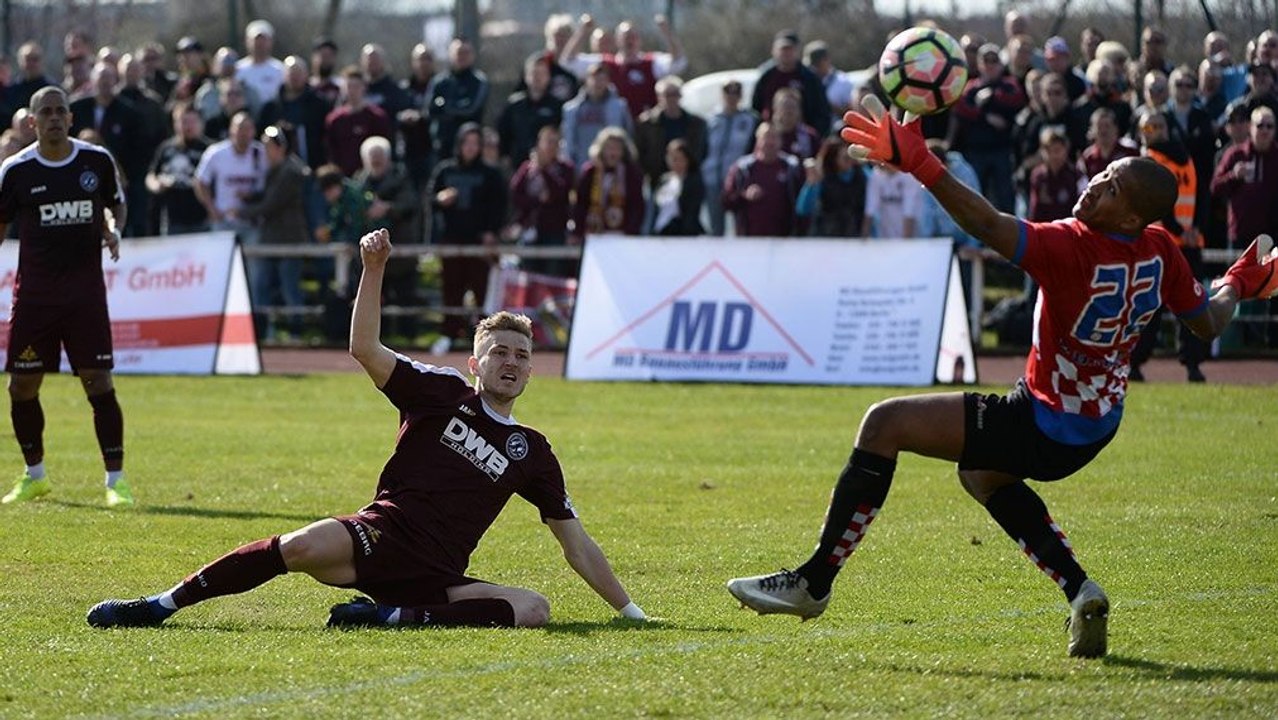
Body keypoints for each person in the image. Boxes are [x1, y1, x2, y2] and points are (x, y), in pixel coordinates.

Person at [726, 95, 1278, 658]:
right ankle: (1080, 589)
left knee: (883, 424)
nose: (1094, 184)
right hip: (1096, 425)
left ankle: (813, 583)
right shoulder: (1160, 248)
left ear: (1131, 216)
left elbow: (985, 223)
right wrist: (1238, 281)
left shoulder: (1069, 245)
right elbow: (1208, 323)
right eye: (1103, 173)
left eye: (1110, 188)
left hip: (1042, 420)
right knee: (982, 475)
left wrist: (921, 163)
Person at [86, 228, 648, 630]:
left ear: (530, 370)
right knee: (298, 546)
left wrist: (631, 612)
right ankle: (160, 606)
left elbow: (575, 542)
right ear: (476, 364)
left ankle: (391, 617)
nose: (511, 361)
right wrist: (373, 270)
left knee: (533, 609)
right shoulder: (439, 390)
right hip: (379, 537)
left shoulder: (534, 452)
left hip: (440, 578)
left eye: (521, 355)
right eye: (498, 351)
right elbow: (363, 348)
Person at [0, 87, 131, 508]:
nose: (54, 118)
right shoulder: (16, 171)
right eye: (46, 112)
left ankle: (116, 482)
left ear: (71, 119)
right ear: (32, 121)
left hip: (84, 297)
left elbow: (114, 204)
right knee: (21, 386)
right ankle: (34, 475)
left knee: (98, 383)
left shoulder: (96, 161)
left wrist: (112, 229)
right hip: (35, 298)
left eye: (61, 111)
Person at [429, 123, 507, 348]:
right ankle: (450, 333)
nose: (471, 148)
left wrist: (492, 232)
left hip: (479, 242)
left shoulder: (491, 174)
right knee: (451, 288)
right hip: (452, 239)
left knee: (482, 290)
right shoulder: (445, 171)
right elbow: (430, 200)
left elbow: (499, 206)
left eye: (476, 143)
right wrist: (440, 199)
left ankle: (485, 337)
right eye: (467, 142)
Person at [237, 125, 310, 341]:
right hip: (273, 236)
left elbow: (273, 203)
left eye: (269, 146)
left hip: (288, 237)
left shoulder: (290, 171)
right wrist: (250, 198)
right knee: (263, 287)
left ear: (280, 148)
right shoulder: (280, 169)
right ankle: (265, 331)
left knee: (289, 288)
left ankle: (295, 332)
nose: (265, 151)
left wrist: (242, 211)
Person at [721, 122, 803, 237]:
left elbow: (800, 202)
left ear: (780, 140)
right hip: (750, 239)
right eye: (766, 137)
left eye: (774, 137)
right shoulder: (743, 168)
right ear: (758, 140)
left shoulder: (791, 167)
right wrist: (744, 195)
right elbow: (726, 201)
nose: (770, 142)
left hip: (784, 239)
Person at [146, 103, 211, 235]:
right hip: (172, 217)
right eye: (183, 121)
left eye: (192, 121)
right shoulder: (166, 148)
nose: (188, 126)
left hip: (201, 218)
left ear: (201, 123)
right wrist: (157, 185)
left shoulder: (209, 150)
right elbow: (151, 175)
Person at [650, 138, 705, 236]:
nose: (676, 163)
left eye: (680, 159)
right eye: (673, 158)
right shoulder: (664, 180)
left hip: (680, 234)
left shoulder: (693, 182)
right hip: (660, 232)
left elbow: (691, 213)